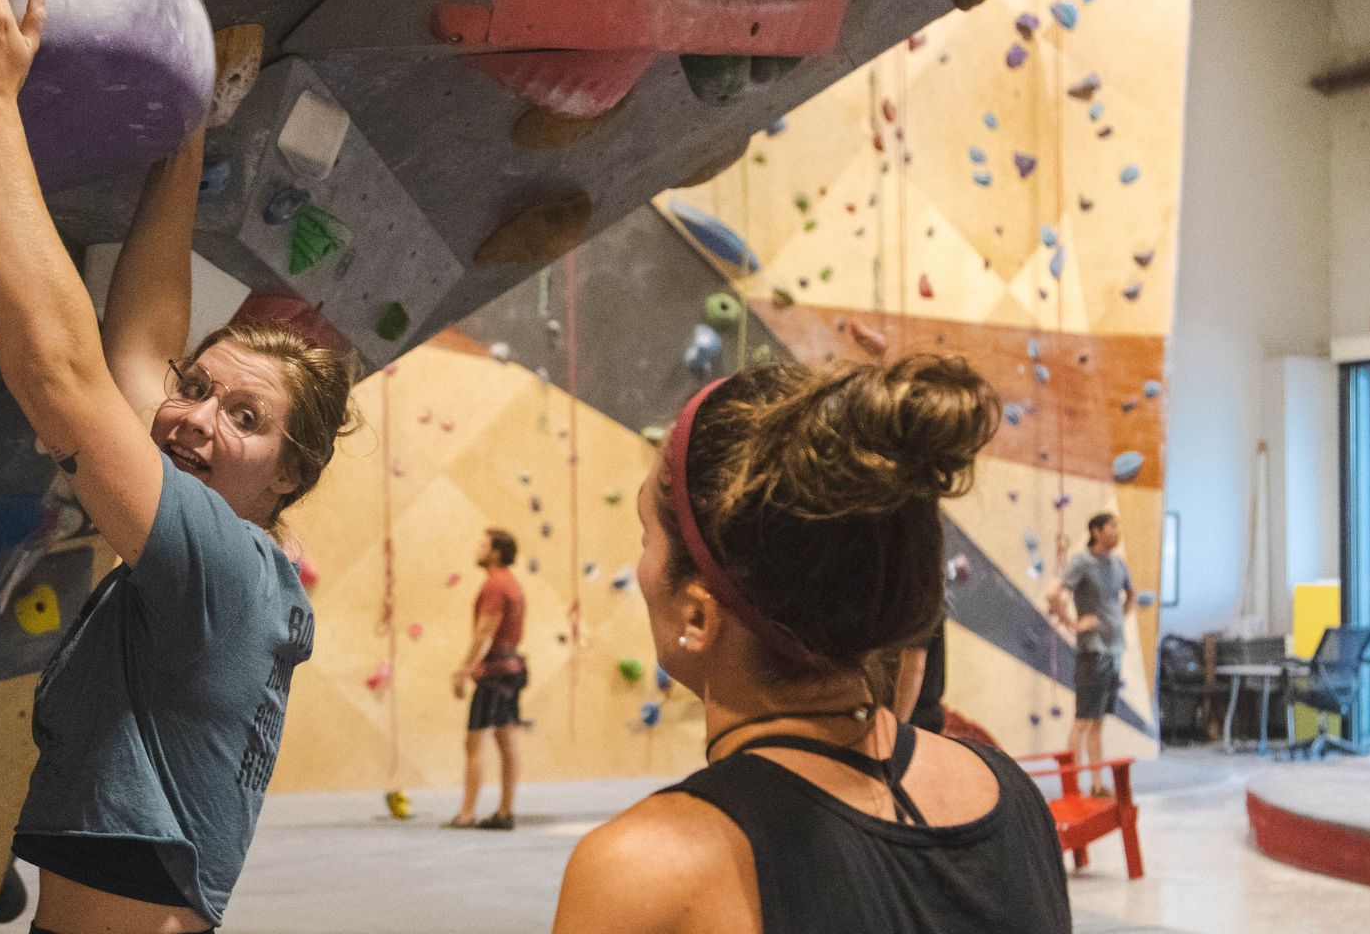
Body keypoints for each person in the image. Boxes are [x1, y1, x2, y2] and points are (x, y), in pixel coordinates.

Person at [0, 0, 356, 931]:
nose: (194, 416)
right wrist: (191, 135)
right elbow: (137, 353)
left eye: (243, 418)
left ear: (286, 477)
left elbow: (62, 379)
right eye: (198, 391)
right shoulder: (243, 572)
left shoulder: (218, 569)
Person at [554, 356, 1072, 934]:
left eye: (645, 537)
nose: (641, 567)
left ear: (698, 614)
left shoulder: (648, 872)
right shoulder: (1010, 796)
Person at [449, 528, 529, 830]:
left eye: (483, 545)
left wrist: (464, 670)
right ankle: (505, 811)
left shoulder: (495, 586)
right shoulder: (510, 583)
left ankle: (468, 812)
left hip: (495, 674)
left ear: (495, 552)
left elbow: (485, 633)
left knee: (475, 741)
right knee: (506, 740)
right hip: (512, 670)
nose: (478, 549)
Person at [1047, 513, 1129, 795]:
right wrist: (1073, 624)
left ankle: (1096, 785)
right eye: (1111, 526)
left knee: (1098, 722)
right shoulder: (1082, 562)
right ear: (1095, 530)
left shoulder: (1118, 565)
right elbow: (1053, 594)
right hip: (1092, 652)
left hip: (1114, 649)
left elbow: (1130, 594)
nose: (1115, 531)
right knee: (1082, 720)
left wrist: (1118, 622)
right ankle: (1073, 787)